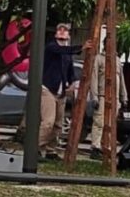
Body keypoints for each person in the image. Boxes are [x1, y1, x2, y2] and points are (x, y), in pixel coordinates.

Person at [39, 23, 92, 159]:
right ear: (56, 33)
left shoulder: (67, 53)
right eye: (59, 29)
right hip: (47, 89)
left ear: (68, 35)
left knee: (58, 124)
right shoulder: (51, 47)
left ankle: (51, 150)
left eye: (65, 30)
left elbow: (69, 69)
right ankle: (37, 148)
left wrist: (72, 82)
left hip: (60, 91)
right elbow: (63, 51)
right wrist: (81, 47)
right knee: (48, 122)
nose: (62, 32)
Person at [89, 47, 128, 159]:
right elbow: (94, 78)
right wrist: (94, 97)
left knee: (111, 124)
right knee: (99, 122)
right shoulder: (99, 58)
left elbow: (121, 79)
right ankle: (95, 148)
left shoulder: (117, 60)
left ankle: (107, 148)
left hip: (114, 98)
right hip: (102, 96)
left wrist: (124, 97)